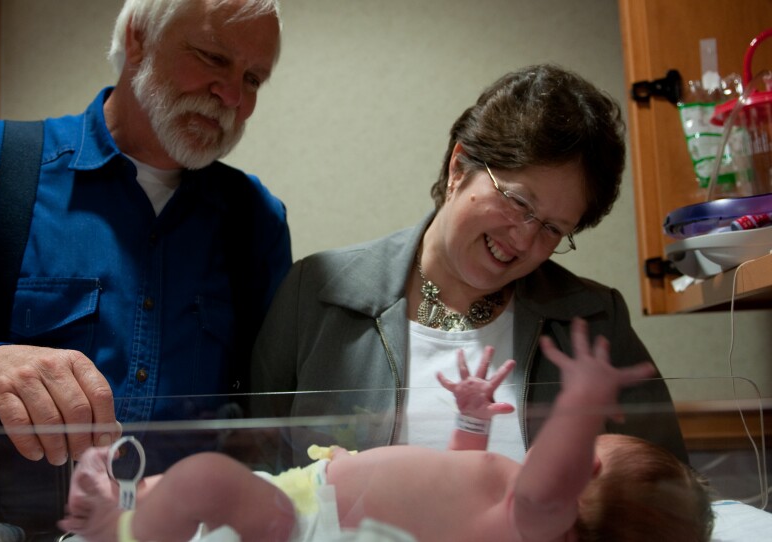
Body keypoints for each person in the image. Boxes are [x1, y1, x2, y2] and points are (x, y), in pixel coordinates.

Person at [0, 0, 290, 531]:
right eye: (213, 58)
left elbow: (270, 419)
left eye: (253, 79)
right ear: (138, 39)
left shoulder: (255, 221)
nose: (233, 97)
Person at [250, 63, 689, 466]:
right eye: (518, 202)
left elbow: (664, 488)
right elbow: (256, 473)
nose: (523, 240)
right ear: (459, 167)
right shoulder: (318, 292)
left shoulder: (593, 321)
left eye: (553, 229)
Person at [59, 320, 713, 542]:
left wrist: (582, 405)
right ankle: (130, 506)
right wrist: (470, 421)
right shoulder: (506, 510)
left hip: (308, 527)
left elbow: (549, 489)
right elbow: (453, 479)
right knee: (190, 492)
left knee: (206, 481)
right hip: (309, 497)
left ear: (584, 474)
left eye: (585, 452)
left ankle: (117, 532)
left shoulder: (537, 518)